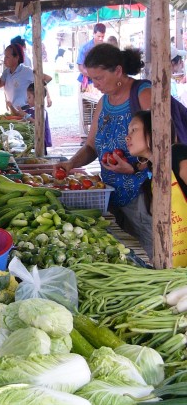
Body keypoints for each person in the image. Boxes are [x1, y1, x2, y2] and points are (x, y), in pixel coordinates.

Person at [54, 43, 152, 253]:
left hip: (143, 196)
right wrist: (71, 164)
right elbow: (91, 146)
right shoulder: (103, 102)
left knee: (154, 249)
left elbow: (165, 143)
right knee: (128, 251)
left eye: (98, 78)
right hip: (111, 195)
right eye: (91, 78)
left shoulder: (143, 94)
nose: (94, 83)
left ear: (118, 70)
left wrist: (135, 168)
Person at [125, 110, 187, 260]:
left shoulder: (176, 153)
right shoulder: (153, 173)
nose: (127, 137)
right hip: (179, 269)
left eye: (134, 130)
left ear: (155, 130)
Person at [0, 43, 52, 109]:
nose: (4, 59)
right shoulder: (6, 72)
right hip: (14, 112)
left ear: (16, 58)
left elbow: (47, 78)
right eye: (5, 56)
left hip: (26, 111)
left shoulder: (26, 71)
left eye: (7, 57)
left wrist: (33, 92)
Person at [7, 82, 52, 155]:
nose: (27, 100)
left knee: (40, 156)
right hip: (33, 140)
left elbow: (37, 123)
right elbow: (18, 114)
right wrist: (11, 106)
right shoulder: (30, 109)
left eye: (29, 97)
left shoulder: (42, 111)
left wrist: (26, 115)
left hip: (41, 140)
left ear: (37, 97)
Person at [77, 23, 106, 89]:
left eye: (103, 36)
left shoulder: (105, 48)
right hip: (87, 83)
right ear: (93, 34)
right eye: (99, 36)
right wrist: (95, 76)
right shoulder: (84, 48)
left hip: (102, 82)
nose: (101, 39)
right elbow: (81, 67)